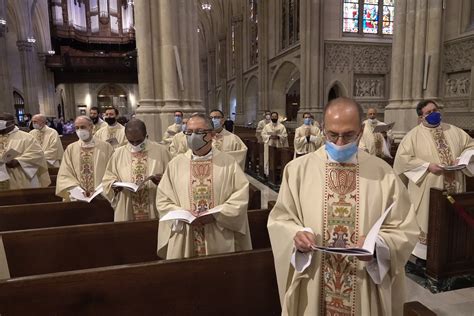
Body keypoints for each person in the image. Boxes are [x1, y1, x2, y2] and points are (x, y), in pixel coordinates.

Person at [267, 97, 419, 316]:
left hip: (364, 280)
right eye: (332, 135)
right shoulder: (297, 170)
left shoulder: (383, 173)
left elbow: (404, 228)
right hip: (315, 276)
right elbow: (281, 220)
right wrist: (296, 235)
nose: (339, 143)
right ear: (322, 129)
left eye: (348, 135)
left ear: (360, 131)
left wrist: (378, 247)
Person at [156, 113, 252, 259]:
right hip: (186, 233)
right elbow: (163, 199)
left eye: (199, 132)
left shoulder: (228, 162)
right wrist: (183, 214)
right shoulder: (175, 164)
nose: (193, 136)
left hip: (219, 232)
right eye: (189, 132)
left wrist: (217, 215)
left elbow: (240, 196)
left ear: (212, 134)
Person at [393, 100, 474, 260]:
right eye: (429, 112)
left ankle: (449, 254)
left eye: (435, 110)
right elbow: (403, 160)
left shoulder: (454, 131)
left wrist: (463, 158)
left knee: (453, 221)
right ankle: (424, 258)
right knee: (428, 220)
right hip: (429, 188)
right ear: (421, 117)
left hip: (455, 184)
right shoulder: (412, 136)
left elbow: (470, 146)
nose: (433, 114)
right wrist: (427, 166)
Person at [102, 119, 172, 221]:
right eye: (131, 141)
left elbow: (174, 178)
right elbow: (107, 178)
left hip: (154, 204)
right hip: (127, 205)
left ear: (146, 135)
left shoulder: (161, 151)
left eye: (139, 141)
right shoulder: (118, 154)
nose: (135, 144)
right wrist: (114, 185)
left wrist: (162, 181)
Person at [56, 116, 113, 201]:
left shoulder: (106, 147)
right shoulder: (71, 148)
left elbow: (112, 171)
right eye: (77, 128)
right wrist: (77, 191)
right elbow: (65, 174)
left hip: (101, 196)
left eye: (82, 127)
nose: (79, 130)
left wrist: (101, 189)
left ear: (91, 127)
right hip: (77, 198)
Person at [0, 112, 50, 190]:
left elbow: (37, 154)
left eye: (2, 120)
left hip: (21, 177)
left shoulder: (26, 137)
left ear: (12, 122)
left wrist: (17, 161)